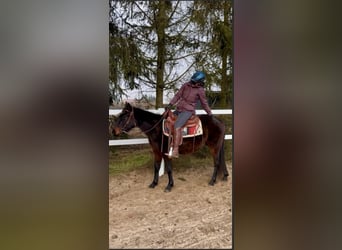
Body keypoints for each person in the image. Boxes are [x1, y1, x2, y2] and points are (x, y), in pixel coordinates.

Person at [165, 71, 212, 158]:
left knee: (177, 126)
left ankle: (175, 151)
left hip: (188, 111)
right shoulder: (186, 85)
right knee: (166, 120)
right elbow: (178, 95)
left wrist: (209, 112)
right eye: (192, 80)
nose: (192, 82)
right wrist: (170, 104)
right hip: (179, 109)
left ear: (200, 82)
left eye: (194, 81)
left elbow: (204, 103)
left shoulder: (200, 90)